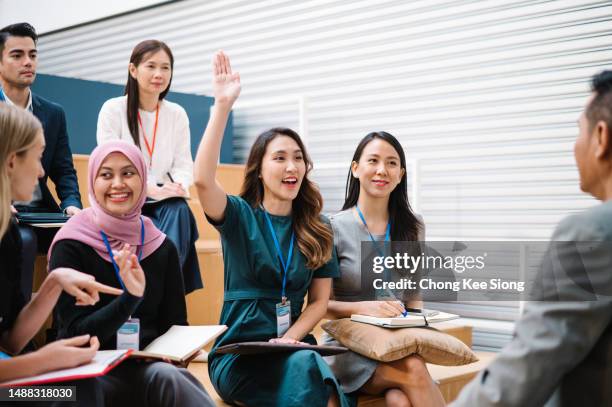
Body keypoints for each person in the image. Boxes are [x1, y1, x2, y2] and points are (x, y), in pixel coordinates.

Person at [194, 51, 349, 407]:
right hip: (239, 356)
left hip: (293, 349)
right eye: (279, 157)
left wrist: (291, 339)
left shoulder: (318, 226)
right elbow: (202, 181)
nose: (291, 165)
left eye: (297, 157)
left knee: (309, 366)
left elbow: (319, 302)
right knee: (314, 381)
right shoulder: (239, 215)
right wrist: (221, 107)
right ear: (259, 169)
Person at [450, 71, 612, 406]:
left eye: (577, 130)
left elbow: (526, 370)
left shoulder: (592, 233)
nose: (574, 146)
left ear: (601, 137)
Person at [48, 140, 214, 406]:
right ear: (92, 180)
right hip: (85, 369)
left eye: (128, 173)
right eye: (106, 175)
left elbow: (175, 326)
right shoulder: (72, 243)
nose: (118, 183)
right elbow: (73, 334)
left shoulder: (161, 245)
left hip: (143, 369)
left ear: (142, 178)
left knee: (171, 378)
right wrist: (129, 299)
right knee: (80, 390)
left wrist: (180, 350)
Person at [0, 104, 124, 405]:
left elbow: (10, 341)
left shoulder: (10, 235)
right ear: (13, 161)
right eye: (38, 157)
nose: (43, 171)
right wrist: (44, 360)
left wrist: (54, 282)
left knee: (83, 389)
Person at [323, 131, 445, 407]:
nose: (382, 170)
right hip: (347, 346)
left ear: (401, 174)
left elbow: (413, 296)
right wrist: (365, 308)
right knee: (413, 370)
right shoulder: (331, 227)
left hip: (396, 342)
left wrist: (418, 326)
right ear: (355, 169)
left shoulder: (413, 226)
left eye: (391, 163)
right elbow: (322, 305)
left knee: (399, 401)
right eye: (373, 161)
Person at [96, 39, 201, 294]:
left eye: (166, 68)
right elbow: (113, 163)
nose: (159, 74)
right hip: (124, 196)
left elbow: (184, 163)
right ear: (133, 70)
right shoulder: (113, 109)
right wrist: (150, 189)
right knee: (177, 212)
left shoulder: (176, 113)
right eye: (151, 66)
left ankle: (157, 285)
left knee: (179, 209)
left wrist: (178, 185)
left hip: (164, 199)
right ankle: (161, 290)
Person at [0, 23, 82, 301]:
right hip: (5, 214)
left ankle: (64, 331)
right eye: (17, 55)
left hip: (43, 213)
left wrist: (71, 204)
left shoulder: (54, 113)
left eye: (33, 55)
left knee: (80, 238)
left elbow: (64, 171)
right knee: (23, 241)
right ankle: (16, 336)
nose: (27, 62)